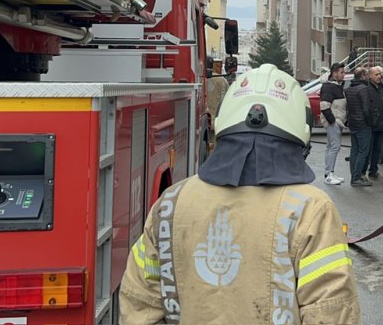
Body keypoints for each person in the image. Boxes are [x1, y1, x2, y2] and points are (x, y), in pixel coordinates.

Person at [119, 64, 361, 324]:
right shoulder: (311, 209)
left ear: (223, 122)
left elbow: (139, 305)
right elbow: (332, 313)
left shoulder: (171, 203)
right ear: (302, 129)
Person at [319, 62, 347, 185]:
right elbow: (324, 106)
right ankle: (329, 175)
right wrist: (333, 122)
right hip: (333, 122)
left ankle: (329, 173)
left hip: (336, 121)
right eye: (341, 72)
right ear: (334, 73)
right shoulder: (329, 87)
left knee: (331, 147)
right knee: (334, 147)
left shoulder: (336, 86)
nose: (344, 74)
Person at [345, 67, 373, 187]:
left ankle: (353, 176)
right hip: (363, 124)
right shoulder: (363, 89)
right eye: (366, 75)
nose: (368, 77)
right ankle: (356, 178)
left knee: (354, 151)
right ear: (362, 76)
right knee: (363, 152)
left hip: (353, 123)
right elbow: (366, 109)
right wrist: (369, 122)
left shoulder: (349, 89)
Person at [365, 66, 383, 179]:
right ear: (370, 76)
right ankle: (362, 173)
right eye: (376, 74)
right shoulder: (366, 88)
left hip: (381, 123)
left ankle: (373, 171)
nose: (379, 76)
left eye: (380, 74)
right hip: (370, 124)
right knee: (367, 149)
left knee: (377, 149)